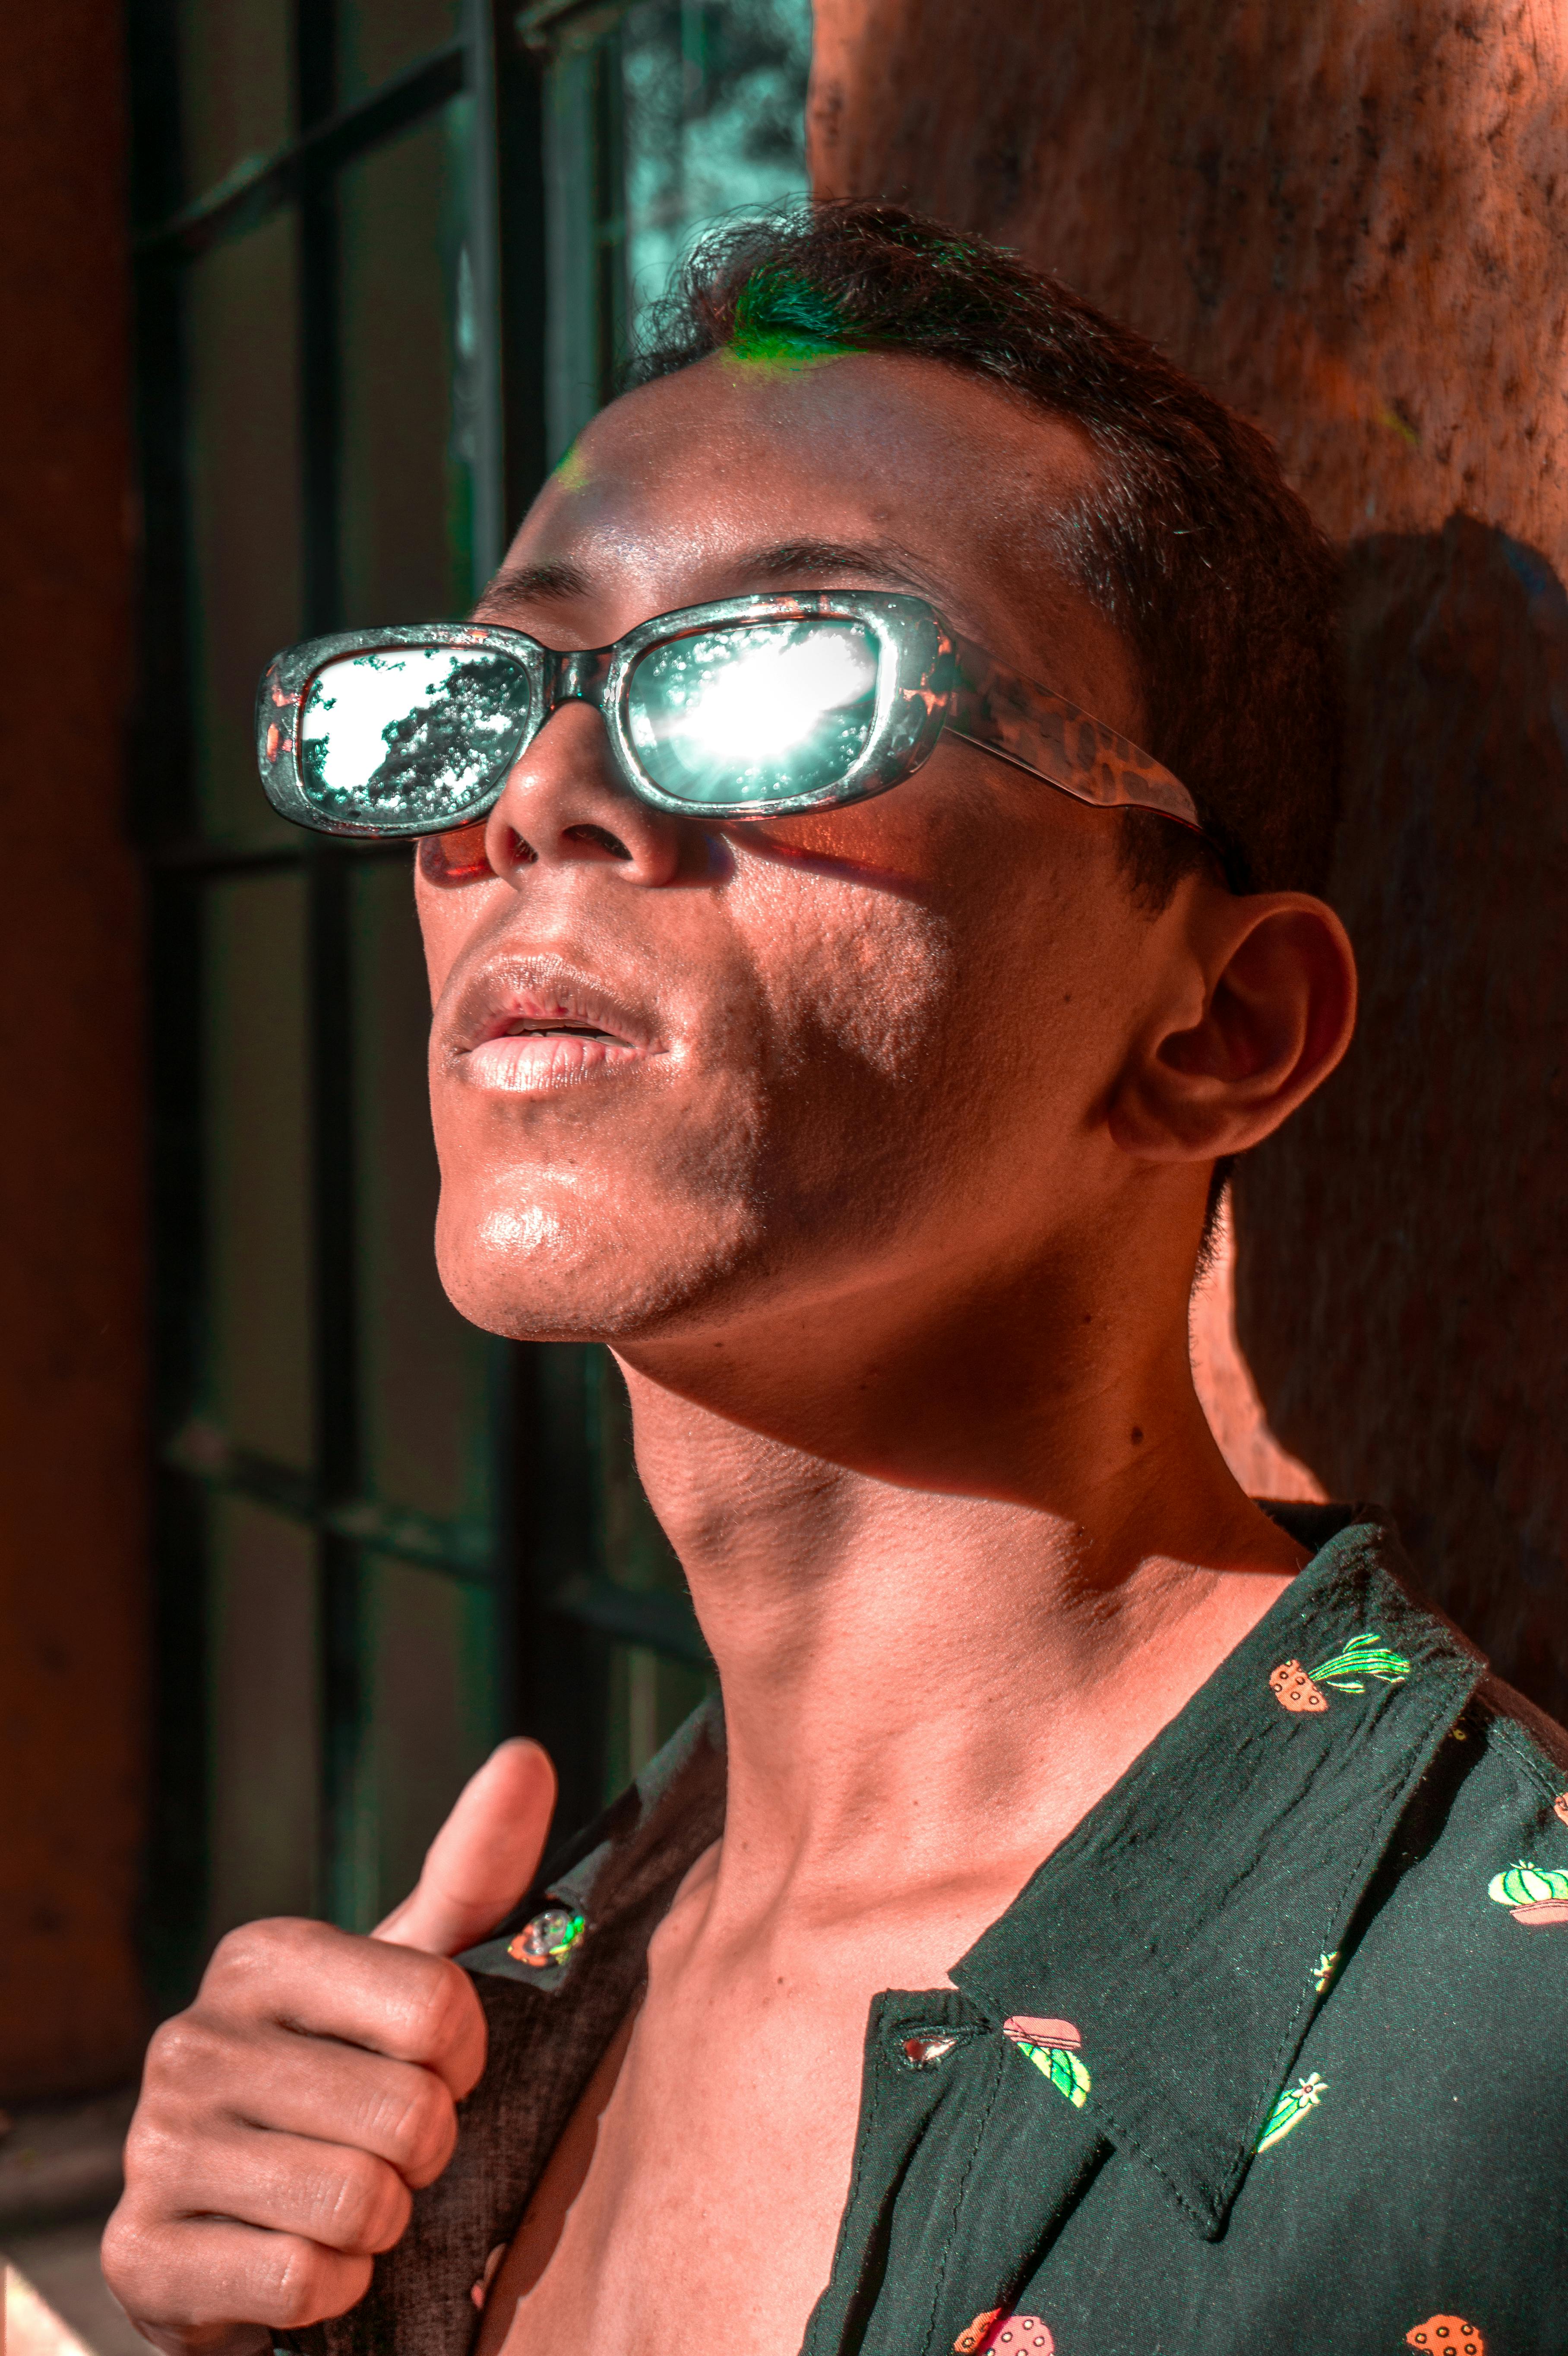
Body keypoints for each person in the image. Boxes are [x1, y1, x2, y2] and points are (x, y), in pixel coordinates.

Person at [104, 204, 1568, 2356]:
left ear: (1216, 1030)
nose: (547, 797)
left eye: (780, 682)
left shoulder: (1513, 2052)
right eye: (484, 694)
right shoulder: (484, 2044)